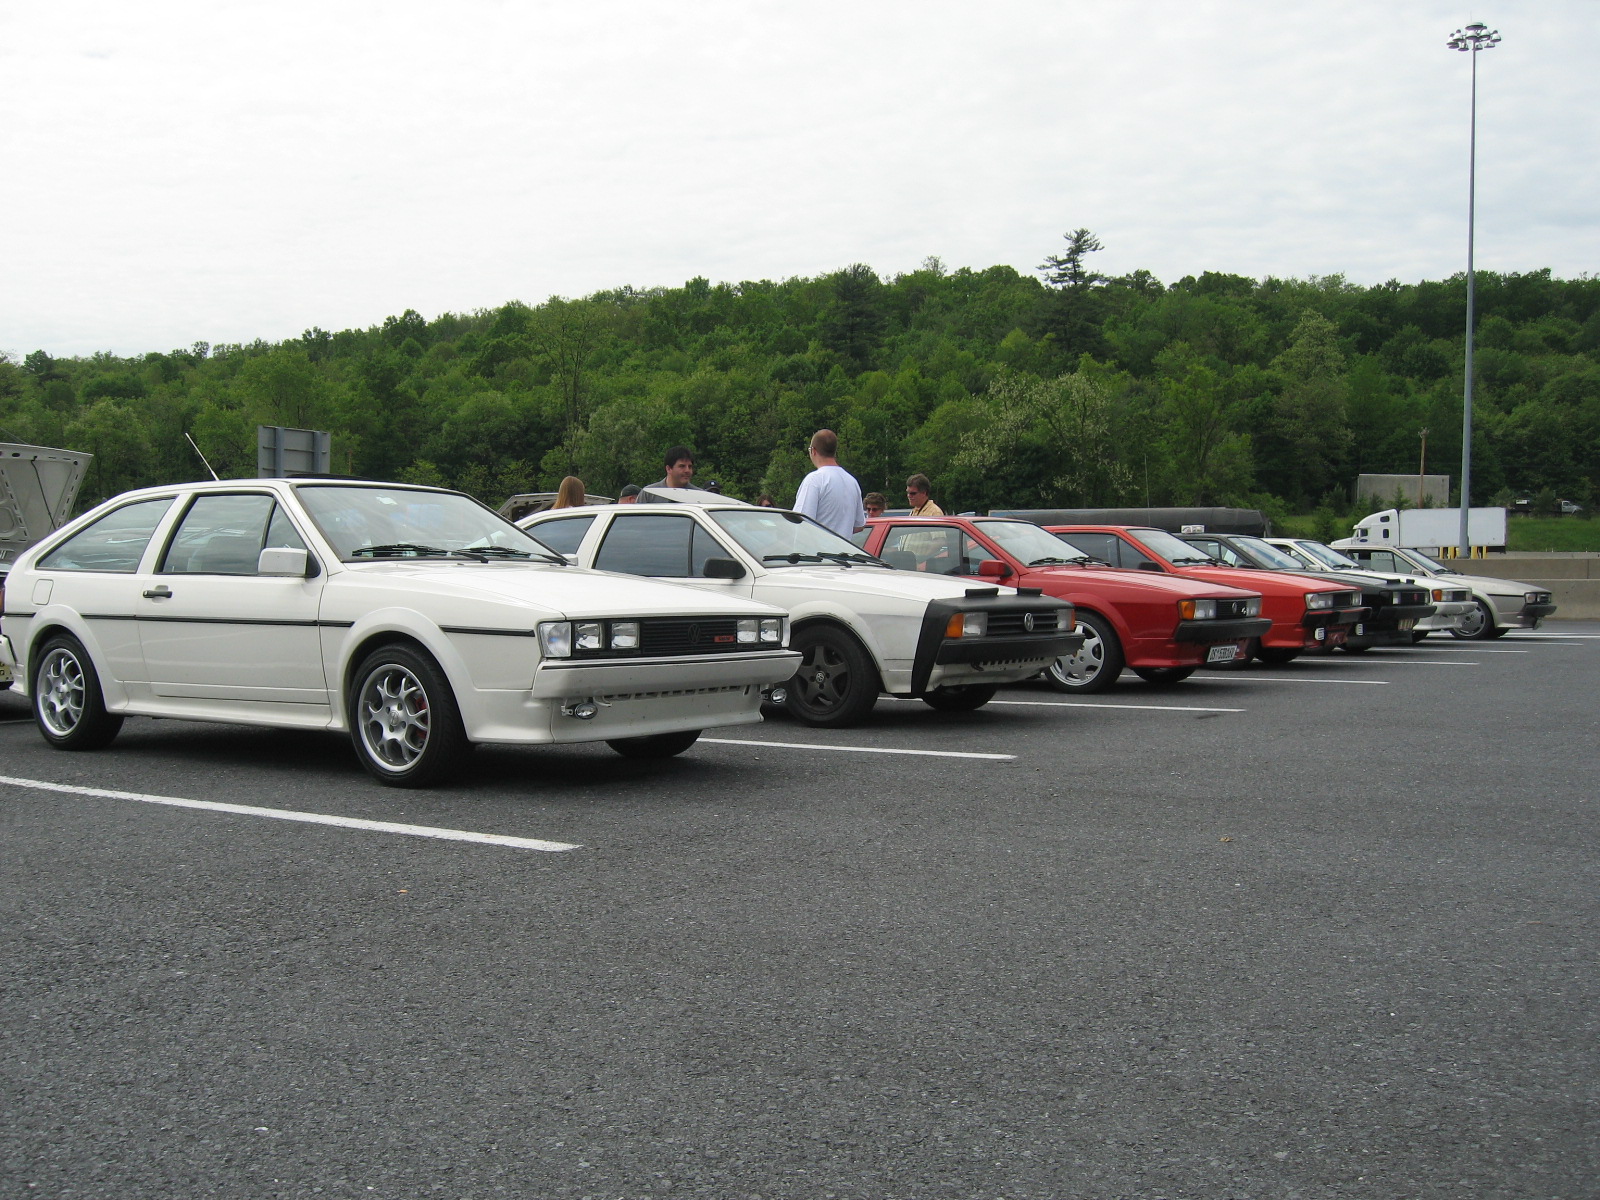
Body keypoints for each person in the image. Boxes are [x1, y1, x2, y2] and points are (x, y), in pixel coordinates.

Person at [793, 429, 865, 538]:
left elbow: (801, 522)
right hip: (844, 548)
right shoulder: (852, 481)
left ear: (813, 451)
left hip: (818, 548)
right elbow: (859, 526)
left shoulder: (814, 480)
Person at [636, 445, 707, 503]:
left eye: (690, 467)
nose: (687, 470)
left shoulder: (700, 495)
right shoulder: (649, 494)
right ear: (668, 469)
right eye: (682, 466)